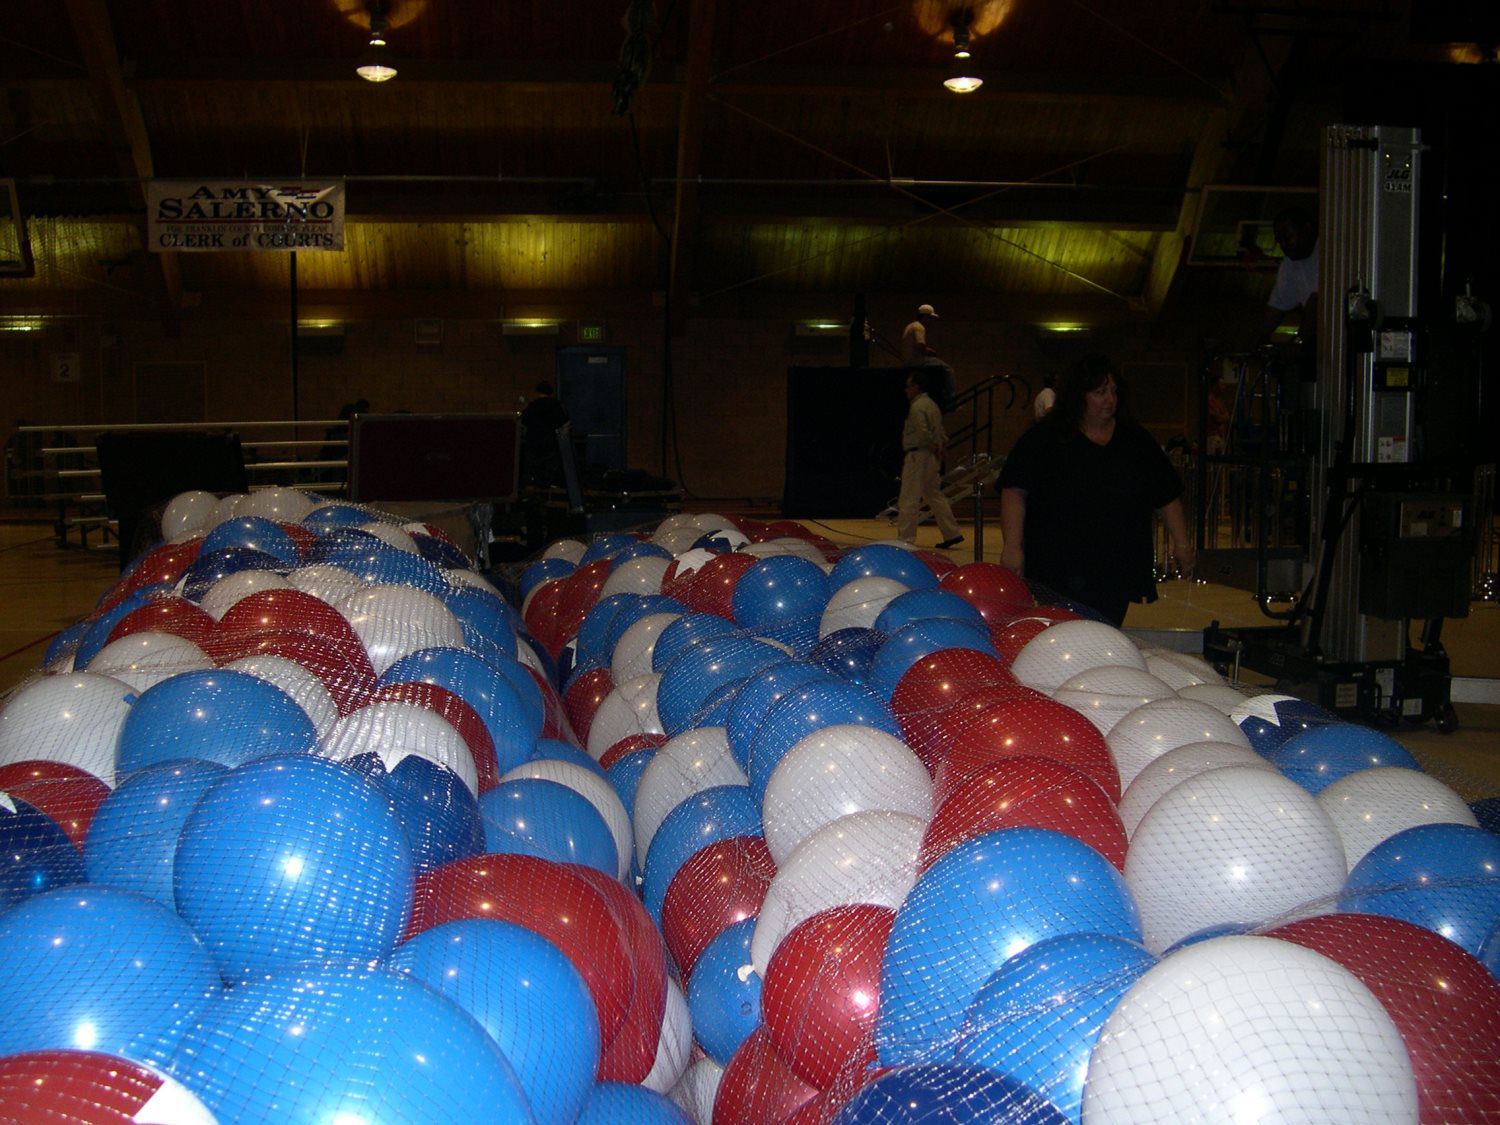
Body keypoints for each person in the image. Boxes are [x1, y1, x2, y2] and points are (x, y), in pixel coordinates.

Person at [998, 355, 1194, 626]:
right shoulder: (1046, 437)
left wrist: (1182, 544)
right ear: (1080, 396)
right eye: (1099, 392)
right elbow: (1015, 491)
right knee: (1064, 628)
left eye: (1113, 391)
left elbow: (1166, 494)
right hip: (1057, 561)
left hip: (1116, 562)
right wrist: (1012, 546)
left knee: (1106, 627)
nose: (1109, 399)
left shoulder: (1134, 438)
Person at [896, 367, 964, 550]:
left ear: (917, 387)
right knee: (934, 494)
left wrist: (933, 445)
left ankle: (905, 539)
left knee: (909, 496)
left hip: (918, 454)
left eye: (909, 386)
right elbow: (939, 431)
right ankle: (952, 532)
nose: (906, 390)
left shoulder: (917, 406)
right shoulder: (932, 405)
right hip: (931, 456)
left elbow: (923, 432)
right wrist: (940, 447)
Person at [1260, 206, 1318, 344]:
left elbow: (1318, 302)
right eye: (1280, 241)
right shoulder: (1290, 262)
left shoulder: (1328, 252)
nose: (1284, 245)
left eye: (1288, 237)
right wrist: (1255, 342)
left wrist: (1299, 341)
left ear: (1307, 229)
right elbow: (1277, 306)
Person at [901, 303, 957, 410]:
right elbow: (920, 345)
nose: (931, 321)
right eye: (930, 318)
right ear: (925, 317)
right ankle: (951, 400)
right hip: (917, 360)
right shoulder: (919, 327)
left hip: (909, 360)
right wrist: (930, 351)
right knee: (948, 370)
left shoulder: (910, 326)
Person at [520, 380, 570, 486]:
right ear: (551, 392)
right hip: (551, 442)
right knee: (550, 472)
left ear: (538, 392)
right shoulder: (557, 405)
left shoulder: (532, 406)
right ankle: (548, 491)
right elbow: (565, 423)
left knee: (534, 471)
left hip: (534, 442)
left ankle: (535, 490)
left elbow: (523, 423)